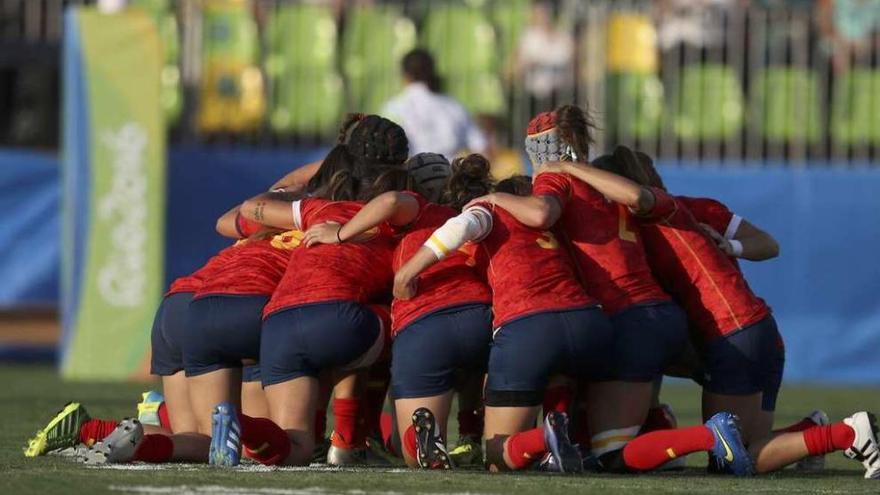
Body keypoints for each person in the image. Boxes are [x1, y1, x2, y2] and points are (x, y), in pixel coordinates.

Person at [534, 145, 880, 479]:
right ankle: (812, 430)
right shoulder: (666, 216)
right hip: (751, 330)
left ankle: (848, 434)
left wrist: (566, 167)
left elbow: (768, 244)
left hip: (731, 333)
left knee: (731, 460)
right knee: (748, 448)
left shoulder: (657, 213)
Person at [466, 106, 690, 469]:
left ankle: (709, 436)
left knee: (611, 457)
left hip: (624, 320)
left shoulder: (556, 178)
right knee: (589, 416)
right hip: (661, 313)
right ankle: (652, 419)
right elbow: (645, 200)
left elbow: (541, 214)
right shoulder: (610, 180)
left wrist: (493, 198)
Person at [394, 164, 612, 473]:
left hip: (530, 324)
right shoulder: (555, 228)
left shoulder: (492, 210)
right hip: (591, 323)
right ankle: (563, 432)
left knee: (497, 457)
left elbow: (459, 228)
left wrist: (407, 273)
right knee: (557, 369)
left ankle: (543, 439)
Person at [302, 155, 494, 470]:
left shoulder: (409, 215)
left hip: (425, 322)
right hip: (481, 314)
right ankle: (480, 438)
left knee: (411, 455)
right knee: (504, 450)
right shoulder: (472, 214)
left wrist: (340, 233)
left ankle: (374, 436)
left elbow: (390, 201)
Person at [215, 146, 398, 467]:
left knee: (292, 443)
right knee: (395, 322)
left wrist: (291, 186)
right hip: (320, 316)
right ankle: (350, 439)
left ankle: (239, 423)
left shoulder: (309, 209)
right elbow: (393, 203)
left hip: (273, 321)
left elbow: (234, 217)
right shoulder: (390, 224)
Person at [381, 49, 486, 159]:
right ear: (433, 71)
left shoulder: (393, 108)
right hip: (450, 173)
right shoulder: (454, 106)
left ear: (405, 75)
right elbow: (480, 147)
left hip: (411, 174)